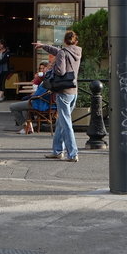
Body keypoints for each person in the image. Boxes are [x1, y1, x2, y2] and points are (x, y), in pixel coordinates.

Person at [34, 30, 82, 162]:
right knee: (61, 122)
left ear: (64, 41)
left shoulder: (63, 52)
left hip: (63, 92)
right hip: (74, 91)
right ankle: (57, 150)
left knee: (66, 124)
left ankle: (73, 153)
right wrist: (43, 46)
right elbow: (59, 52)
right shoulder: (77, 52)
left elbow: (61, 71)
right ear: (75, 41)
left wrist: (51, 69)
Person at [10, 53, 55, 133]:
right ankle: (28, 125)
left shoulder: (48, 79)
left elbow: (39, 94)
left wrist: (33, 96)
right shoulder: (51, 78)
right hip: (46, 102)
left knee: (13, 106)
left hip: (40, 103)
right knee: (24, 107)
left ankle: (25, 126)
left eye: (46, 68)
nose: (43, 70)